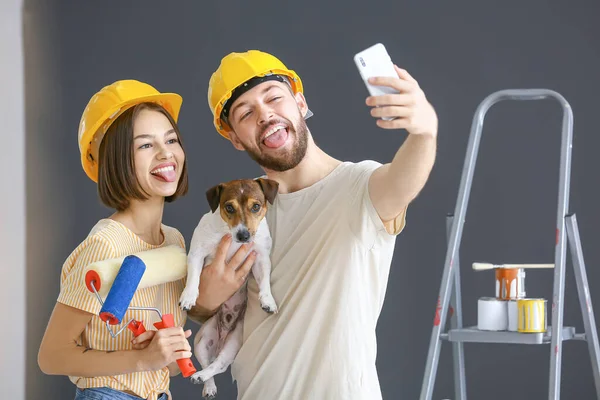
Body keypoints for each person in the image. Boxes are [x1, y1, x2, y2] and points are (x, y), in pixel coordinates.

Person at [192, 49, 438, 399]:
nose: (265, 114)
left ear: (300, 102)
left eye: (274, 98)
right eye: (246, 113)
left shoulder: (360, 187)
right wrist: (205, 300)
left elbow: (404, 181)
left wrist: (424, 132)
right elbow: (205, 309)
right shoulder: (241, 211)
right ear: (235, 137)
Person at [37, 79, 256, 400]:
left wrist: (162, 351)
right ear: (115, 158)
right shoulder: (106, 246)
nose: (166, 153)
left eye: (171, 139)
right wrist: (142, 358)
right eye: (145, 145)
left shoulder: (174, 241)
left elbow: (162, 365)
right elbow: (52, 355)